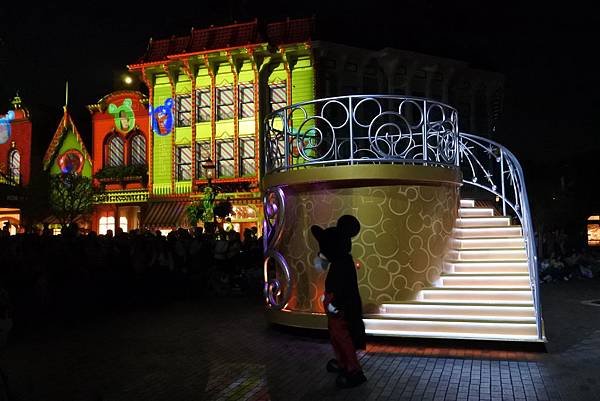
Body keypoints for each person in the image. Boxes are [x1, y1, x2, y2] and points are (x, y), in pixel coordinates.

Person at [311, 215, 367, 388]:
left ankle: (353, 370)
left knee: (343, 338)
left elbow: (344, 287)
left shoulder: (342, 264)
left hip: (340, 308)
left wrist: (335, 303)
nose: (321, 255)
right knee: (337, 337)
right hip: (336, 306)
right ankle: (343, 363)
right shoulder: (341, 262)